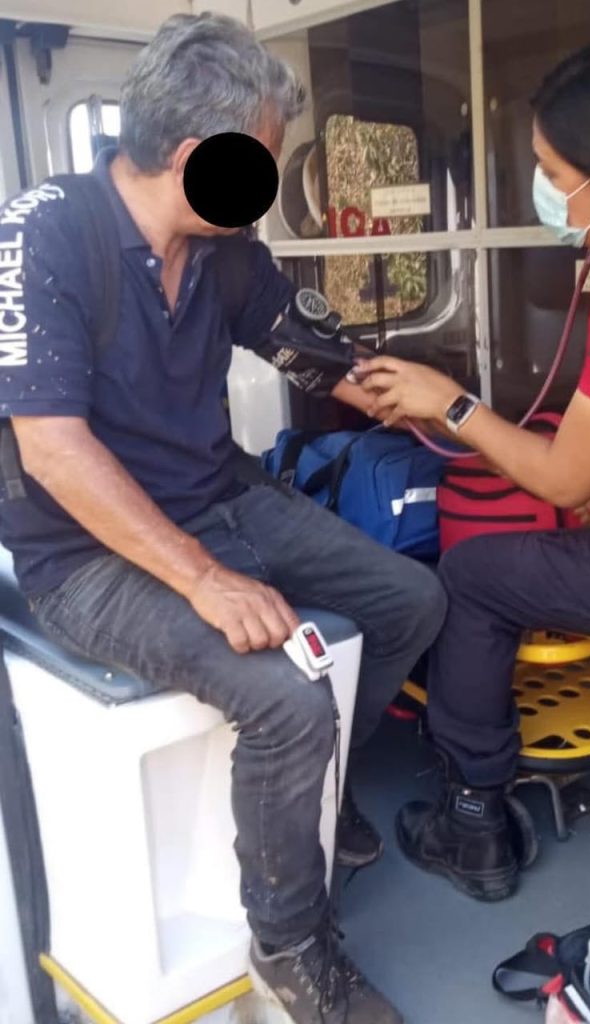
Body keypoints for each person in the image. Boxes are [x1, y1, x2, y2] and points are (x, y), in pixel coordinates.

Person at [0, 14, 447, 1024]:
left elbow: (308, 354)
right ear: (198, 155)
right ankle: (290, 946)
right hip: (85, 552)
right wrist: (203, 577)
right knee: (289, 699)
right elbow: (53, 451)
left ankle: (321, 795)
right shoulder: (44, 234)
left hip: (220, 495)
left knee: (410, 600)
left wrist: (418, 398)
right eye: (263, 161)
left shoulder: (223, 250)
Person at [357, 36, 590, 902]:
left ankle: (472, 819)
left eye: (552, 173)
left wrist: (450, 403)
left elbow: (561, 482)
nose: (544, 188)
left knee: (476, 576)